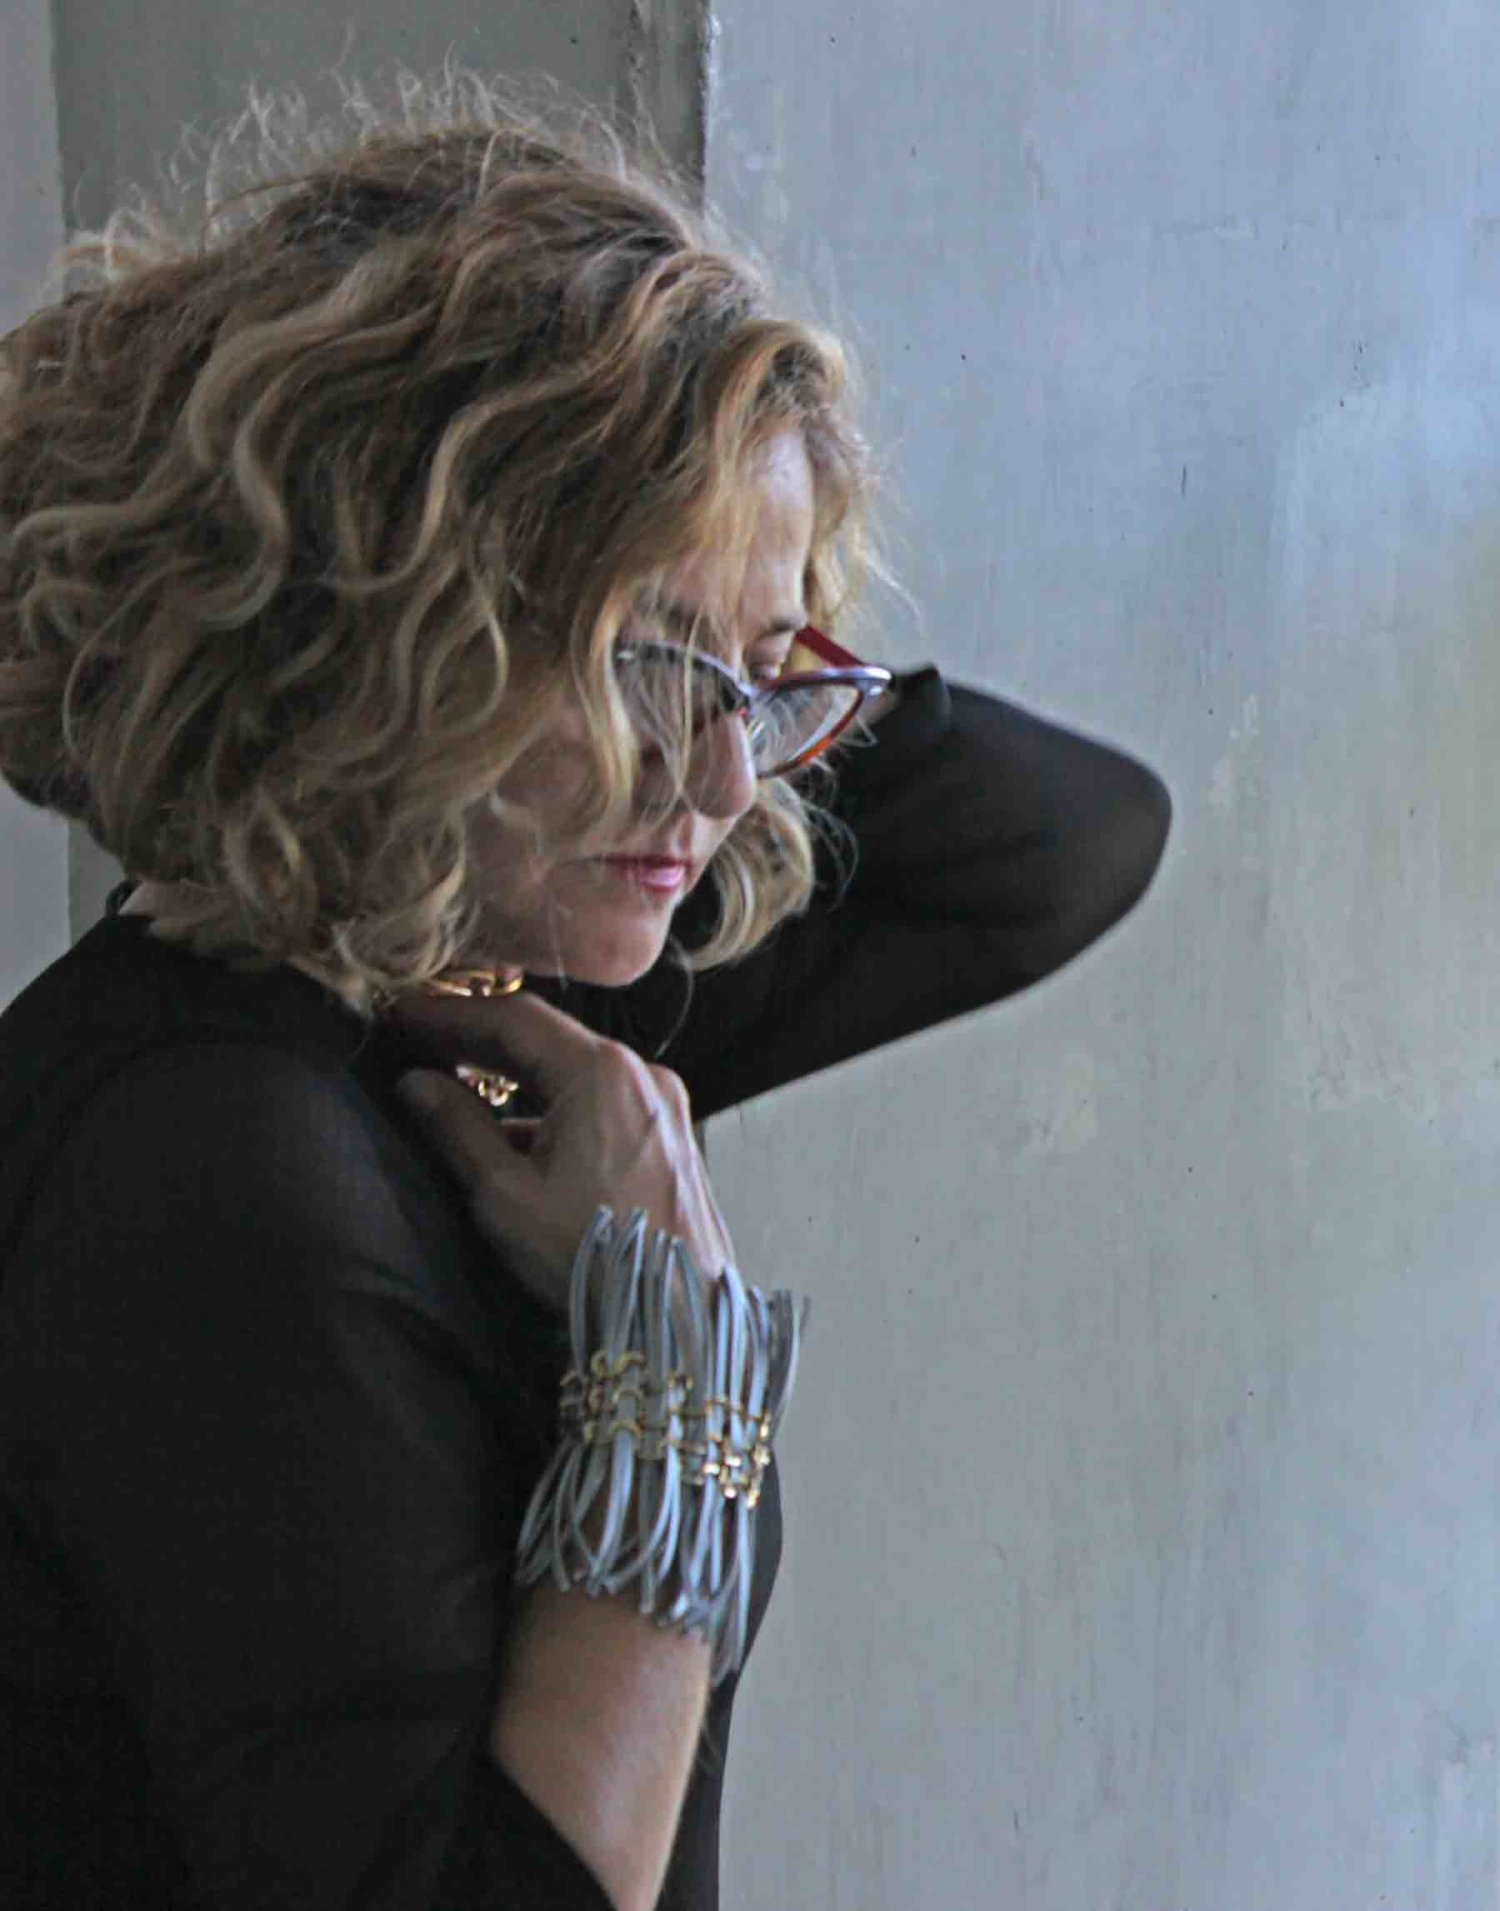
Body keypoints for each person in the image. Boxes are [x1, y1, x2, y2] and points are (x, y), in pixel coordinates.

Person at [0, 75, 1170, 1911]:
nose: (725, 780)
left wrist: (724, 623)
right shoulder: (225, 1174)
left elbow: (1074, 836)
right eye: (639, 660)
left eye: (766, 681)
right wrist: (669, 1373)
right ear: (387, 620)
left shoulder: (472, 1015)